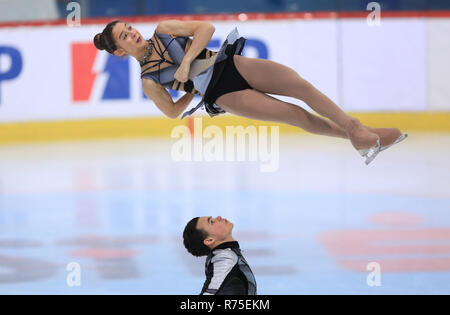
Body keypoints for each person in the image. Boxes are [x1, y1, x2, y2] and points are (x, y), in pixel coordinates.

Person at [93, 20, 407, 165]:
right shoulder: (149, 80)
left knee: (299, 85)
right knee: (294, 115)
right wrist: (192, 91)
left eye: (130, 28)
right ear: (120, 51)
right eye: (125, 36)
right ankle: (356, 137)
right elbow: (173, 112)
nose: (133, 33)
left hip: (231, 64)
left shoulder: (164, 29)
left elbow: (207, 29)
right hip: (222, 93)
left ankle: (357, 130)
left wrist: (187, 62)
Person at [183, 216, 257, 295]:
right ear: (209, 240)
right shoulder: (225, 258)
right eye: (212, 222)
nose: (219, 217)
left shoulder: (224, 254)